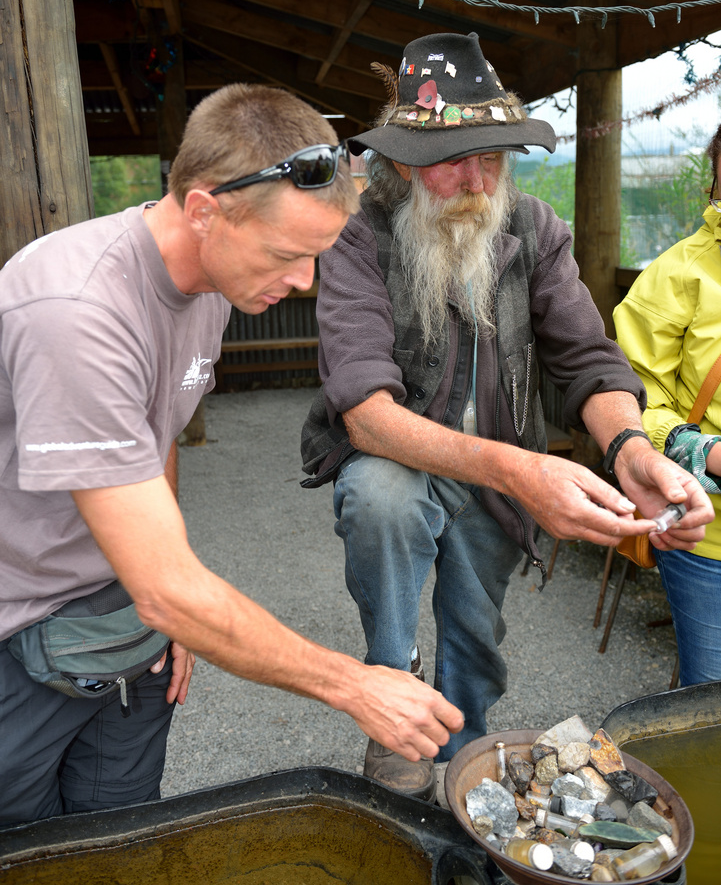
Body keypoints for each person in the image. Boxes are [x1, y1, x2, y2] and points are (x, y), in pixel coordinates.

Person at [0, 82, 463, 828]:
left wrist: (168, 609)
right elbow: (165, 583)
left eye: (316, 256)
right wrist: (354, 683)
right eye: (288, 254)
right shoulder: (76, 314)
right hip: (17, 630)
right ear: (205, 210)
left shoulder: (214, 283)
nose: (304, 284)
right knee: (27, 850)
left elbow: (157, 441)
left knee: (120, 833)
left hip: (124, 617)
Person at [300, 32, 712, 801]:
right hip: (417, 458)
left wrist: (628, 447)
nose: (477, 179)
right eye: (456, 158)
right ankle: (391, 688)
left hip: (496, 477)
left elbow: (588, 358)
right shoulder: (360, 239)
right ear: (401, 161)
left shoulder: (535, 230)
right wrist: (523, 469)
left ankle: (461, 768)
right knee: (379, 494)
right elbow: (363, 413)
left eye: (493, 156)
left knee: (476, 640)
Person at [614, 123, 721, 687]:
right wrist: (708, 452)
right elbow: (630, 402)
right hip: (708, 535)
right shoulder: (678, 274)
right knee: (707, 708)